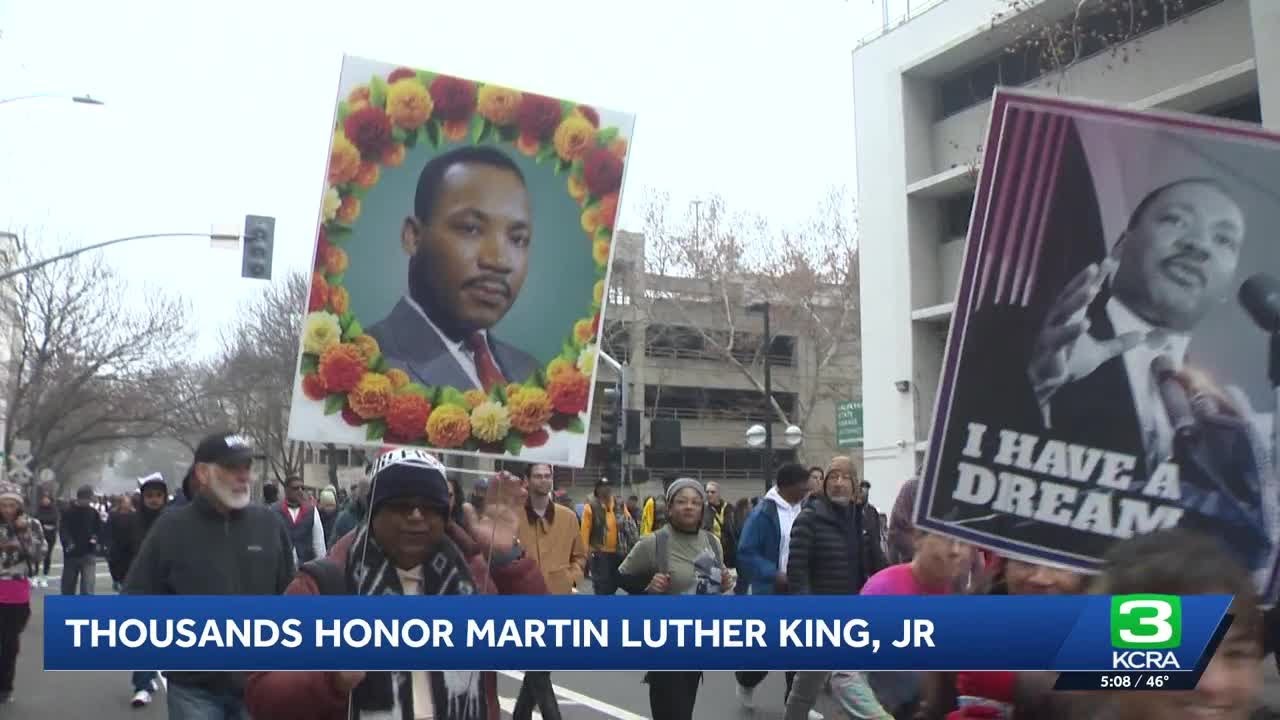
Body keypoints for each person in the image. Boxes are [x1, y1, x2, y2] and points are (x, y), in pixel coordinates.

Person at [939, 178, 1267, 569]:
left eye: (1223, 240)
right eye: (1177, 221)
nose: (1198, 245)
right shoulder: (1010, 335)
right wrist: (1037, 386)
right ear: (1121, 245)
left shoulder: (1227, 419)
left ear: (1227, 285)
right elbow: (957, 482)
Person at [244, 452, 548, 720]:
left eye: (430, 507)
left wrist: (507, 558)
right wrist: (329, 678)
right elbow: (263, 696)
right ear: (373, 513)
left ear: (445, 515)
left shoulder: (474, 577)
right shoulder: (325, 584)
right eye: (401, 505)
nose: (416, 517)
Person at [125, 432, 296, 719]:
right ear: (203, 473)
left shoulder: (269, 524)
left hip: (259, 684)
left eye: (247, 467)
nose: (244, 476)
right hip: (194, 688)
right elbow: (136, 599)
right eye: (232, 467)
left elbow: (291, 596)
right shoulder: (171, 527)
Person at [367, 146, 539, 391]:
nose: (499, 261)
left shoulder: (532, 373)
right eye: (470, 228)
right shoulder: (362, 367)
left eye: (518, 239)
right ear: (413, 237)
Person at [788, 531, 972, 720]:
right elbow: (845, 675)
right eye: (945, 539)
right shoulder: (885, 591)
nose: (955, 550)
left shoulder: (960, 596)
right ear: (918, 539)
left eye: (964, 541)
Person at [617, 478, 734, 719]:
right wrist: (648, 588)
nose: (689, 507)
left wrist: (724, 584)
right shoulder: (655, 542)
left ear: (702, 508)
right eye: (681, 502)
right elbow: (620, 579)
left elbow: (712, 588)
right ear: (669, 508)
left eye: (695, 502)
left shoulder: (712, 542)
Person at [734, 463, 811, 710]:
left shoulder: (805, 509)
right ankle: (746, 680)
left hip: (799, 591)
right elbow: (746, 552)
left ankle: (795, 705)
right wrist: (773, 574)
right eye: (802, 486)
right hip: (771, 591)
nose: (806, 490)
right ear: (787, 486)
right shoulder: (763, 513)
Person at [512, 463, 586, 720]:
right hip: (522, 602)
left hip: (558, 600)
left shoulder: (567, 517)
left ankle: (520, 716)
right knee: (539, 667)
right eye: (538, 476)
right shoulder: (513, 516)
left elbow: (580, 556)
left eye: (547, 476)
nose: (544, 481)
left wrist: (570, 578)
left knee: (539, 667)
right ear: (527, 480)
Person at [124, 473, 170, 708]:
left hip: (166, 587)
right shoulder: (132, 522)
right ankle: (142, 685)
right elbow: (120, 551)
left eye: (158, 495)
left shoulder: (173, 521)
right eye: (149, 496)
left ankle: (148, 675)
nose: (154, 500)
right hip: (138, 587)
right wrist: (121, 578)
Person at [0, 481, 45, 704]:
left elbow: (39, 555)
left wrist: (23, 533)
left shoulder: (31, 525)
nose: (7, 509)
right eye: (3, 504)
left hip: (16, 591)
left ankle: (5, 686)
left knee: (9, 642)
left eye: (12, 505)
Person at [580, 479, 634, 595]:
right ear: (597, 489)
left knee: (620, 582)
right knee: (602, 587)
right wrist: (585, 553)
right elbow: (585, 531)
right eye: (602, 486)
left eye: (608, 486)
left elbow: (629, 523)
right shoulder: (590, 506)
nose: (606, 489)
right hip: (599, 553)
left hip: (620, 551)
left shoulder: (619, 503)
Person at [60, 485, 101, 596]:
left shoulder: (93, 513)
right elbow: (63, 530)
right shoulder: (68, 512)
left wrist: (95, 538)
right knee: (68, 588)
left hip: (88, 554)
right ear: (79, 498)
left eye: (89, 499)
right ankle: (69, 610)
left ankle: (85, 610)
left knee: (88, 588)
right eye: (86, 499)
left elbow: (99, 529)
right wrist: (68, 542)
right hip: (71, 555)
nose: (87, 502)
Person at [277, 475, 326, 565]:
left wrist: (320, 568)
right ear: (286, 490)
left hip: (305, 568)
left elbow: (319, 543)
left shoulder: (312, 511)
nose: (300, 491)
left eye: (302, 488)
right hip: (281, 567)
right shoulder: (274, 511)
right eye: (295, 488)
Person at [702, 481, 739, 580]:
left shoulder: (730, 508)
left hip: (730, 554)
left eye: (712, 492)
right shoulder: (703, 510)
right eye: (707, 492)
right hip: (712, 554)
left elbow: (735, 530)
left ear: (718, 493)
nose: (709, 494)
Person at [106, 494, 136, 593]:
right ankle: (117, 581)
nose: (127, 504)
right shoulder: (113, 515)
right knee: (115, 566)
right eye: (125, 502)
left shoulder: (134, 515)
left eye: (129, 502)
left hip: (130, 548)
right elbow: (108, 530)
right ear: (121, 503)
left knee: (128, 569)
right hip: (116, 547)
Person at [33, 492, 57, 588]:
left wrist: (42, 522)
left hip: (50, 537)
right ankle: (34, 577)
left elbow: (54, 520)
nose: (45, 500)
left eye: (47, 498)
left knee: (47, 557)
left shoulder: (54, 509)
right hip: (38, 536)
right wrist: (44, 523)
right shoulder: (38, 509)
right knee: (36, 557)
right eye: (43, 498)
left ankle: (45, 577)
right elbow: (35, 520)